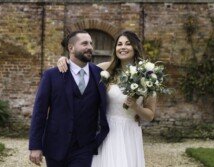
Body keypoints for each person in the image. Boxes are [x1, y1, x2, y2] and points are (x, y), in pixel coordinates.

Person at [57, 30, 156, 167]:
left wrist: (136, 107)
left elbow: (150, 115)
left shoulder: (147, 75)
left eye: (127, 44)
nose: (122, 47)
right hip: (107, 129)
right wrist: (65, 59)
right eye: (119, 44)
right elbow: (79, 68)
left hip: (129, 131)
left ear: (135, 47)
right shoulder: (105, 68)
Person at [29, 30, 109, 167]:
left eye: (91, 43)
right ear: (71, 48)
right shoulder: (52, 76)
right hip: (55, 145)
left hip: (85, 146)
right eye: (84, 43)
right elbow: (39, 112)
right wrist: (35, 146)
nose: (90, 47)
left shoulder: (100, 74)